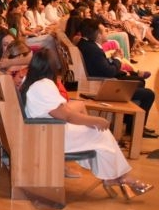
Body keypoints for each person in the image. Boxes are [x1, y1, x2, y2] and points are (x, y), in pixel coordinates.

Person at [22, 49, 153, 199]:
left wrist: (88, 121)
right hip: (52, 134)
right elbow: (66, 115)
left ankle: (118, 177)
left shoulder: (32, 81)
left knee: (98, 134)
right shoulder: (44, 84)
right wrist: (95, 120)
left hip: (45, 131)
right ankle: (121, 178)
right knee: (101, 133)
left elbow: (62, 112)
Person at [77, 18, 156, 138]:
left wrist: (113, 60)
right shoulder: (93, 49)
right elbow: (109, 72)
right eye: (104, 31)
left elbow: (101, 66)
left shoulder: (86, 44)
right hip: (103, 86)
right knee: (149, 94)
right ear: (98, 35)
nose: (106, 33)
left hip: (100, 80)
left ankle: (131, 124)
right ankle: (135, 129)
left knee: (139, 82)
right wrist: (117, 59)